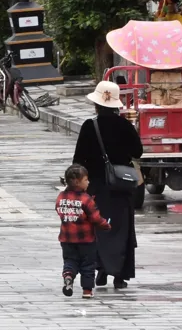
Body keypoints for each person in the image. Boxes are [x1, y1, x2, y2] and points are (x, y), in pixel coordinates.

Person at [72, 80, 143, 290]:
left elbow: (78, 159)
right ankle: (119, 276)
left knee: (99, 227)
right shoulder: (125, 126)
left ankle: (101, 271)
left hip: (96, 187)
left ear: (96, 105)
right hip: (122, 187)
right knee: (122, 229)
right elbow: (138, 152)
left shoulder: (89, 126)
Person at [56, 164, 110, 298]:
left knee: (70, 260)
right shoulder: (86, 199)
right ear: (77, 182)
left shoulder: (61, 197)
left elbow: (58, 209)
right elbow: (95, 218)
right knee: (88, 265)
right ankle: (87, 291)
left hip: (66, 239)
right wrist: (105, 225)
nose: (88, 182)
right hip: (86, 240)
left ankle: (68, 276)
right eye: (86, 180)